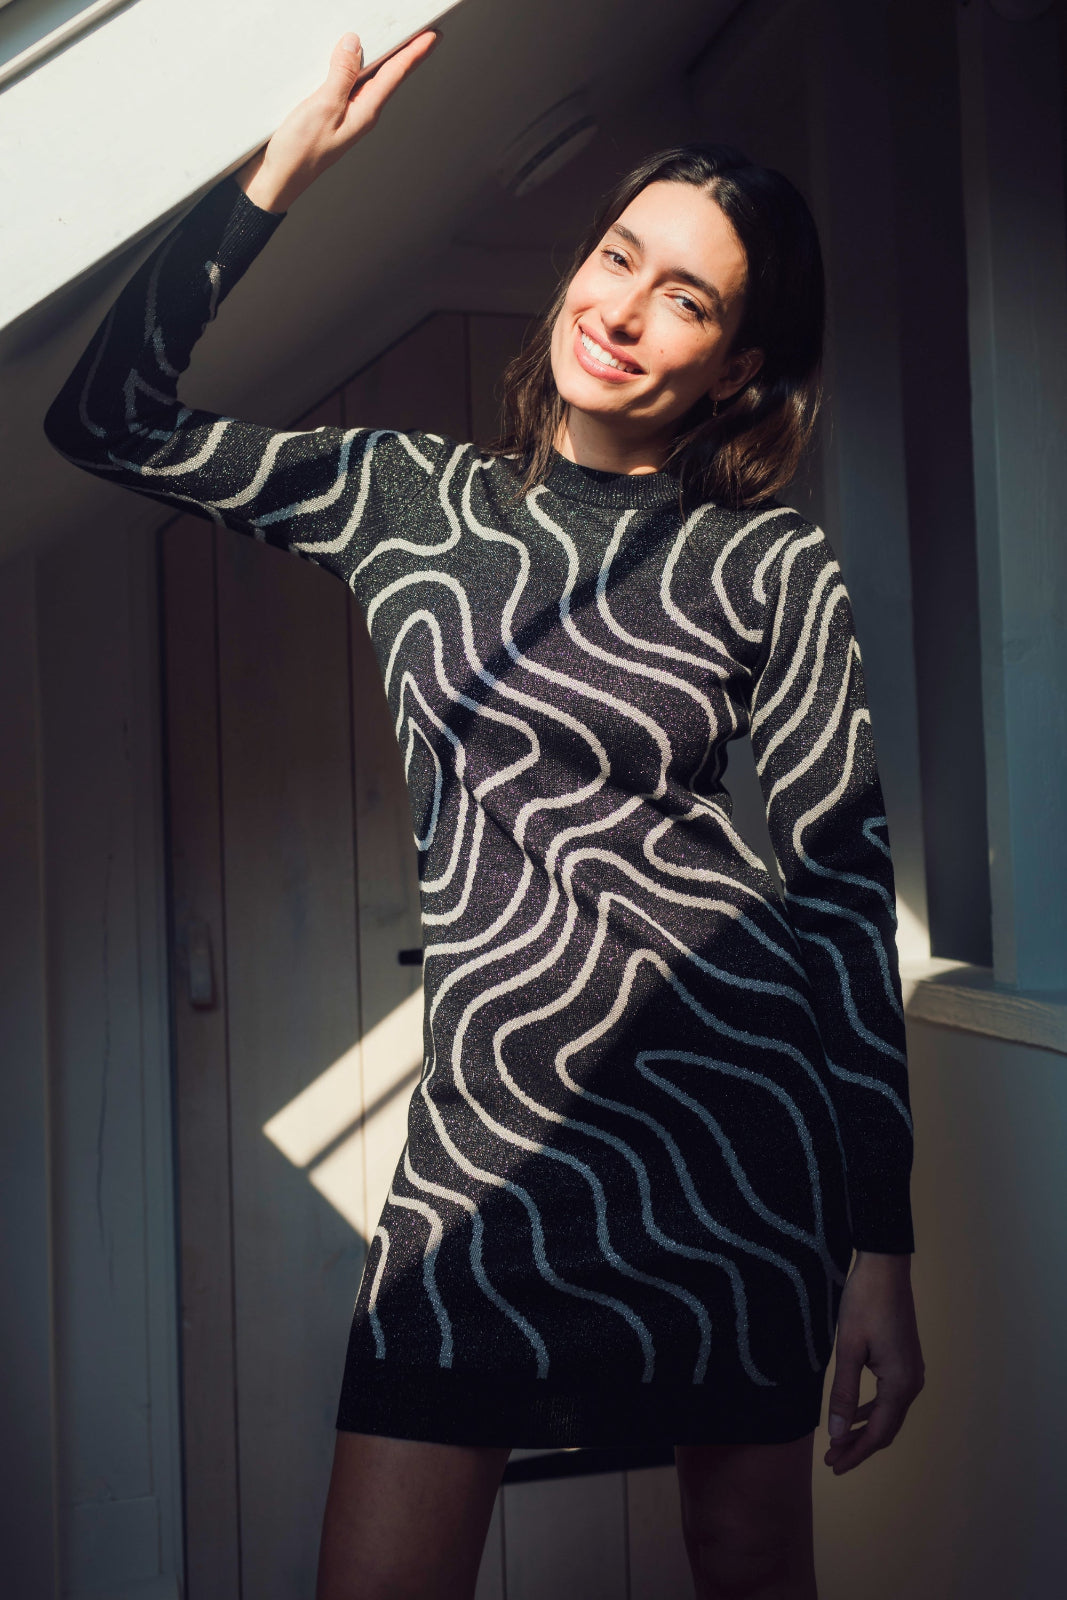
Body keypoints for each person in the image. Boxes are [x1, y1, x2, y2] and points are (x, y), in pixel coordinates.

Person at [43, 28, 925, 1600]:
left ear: (734, 364)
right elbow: (102, 421)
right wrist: (278, 180)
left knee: (747, 1565)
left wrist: (885, 1250)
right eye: (618, 255)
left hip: (735, 1148)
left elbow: (840, 896)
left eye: (690, 299)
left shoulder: (768, 566)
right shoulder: (410, 500)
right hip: (489, 1156)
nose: (625, 310)